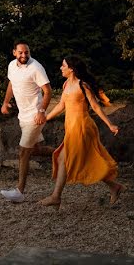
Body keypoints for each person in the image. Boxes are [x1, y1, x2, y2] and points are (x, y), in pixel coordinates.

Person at [39, 56, 125, 209]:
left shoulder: (82, 85)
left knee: (66, 159)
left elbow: (96, 107)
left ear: (71, 68)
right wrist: (46, 118)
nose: (61, 68)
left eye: (63, 65)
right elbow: (61, 106)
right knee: (73, 160)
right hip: (72, 128)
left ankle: (56, 196)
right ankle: (114, 186)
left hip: (83, 128)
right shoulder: (66, 84)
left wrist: (110, 124)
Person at [0, 41, 52, 203]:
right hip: (23, 116)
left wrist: (42, 111)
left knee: (23, 151)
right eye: (21, 52)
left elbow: (48, 91)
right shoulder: (11, 66)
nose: (24, 55)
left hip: (35, 117)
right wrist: (5, 102)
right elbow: (11, 83)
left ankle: (19, 191)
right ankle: (66, 153)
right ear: (14, 52)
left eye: (26, 52)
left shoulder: (36, 67)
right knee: (36, 149)